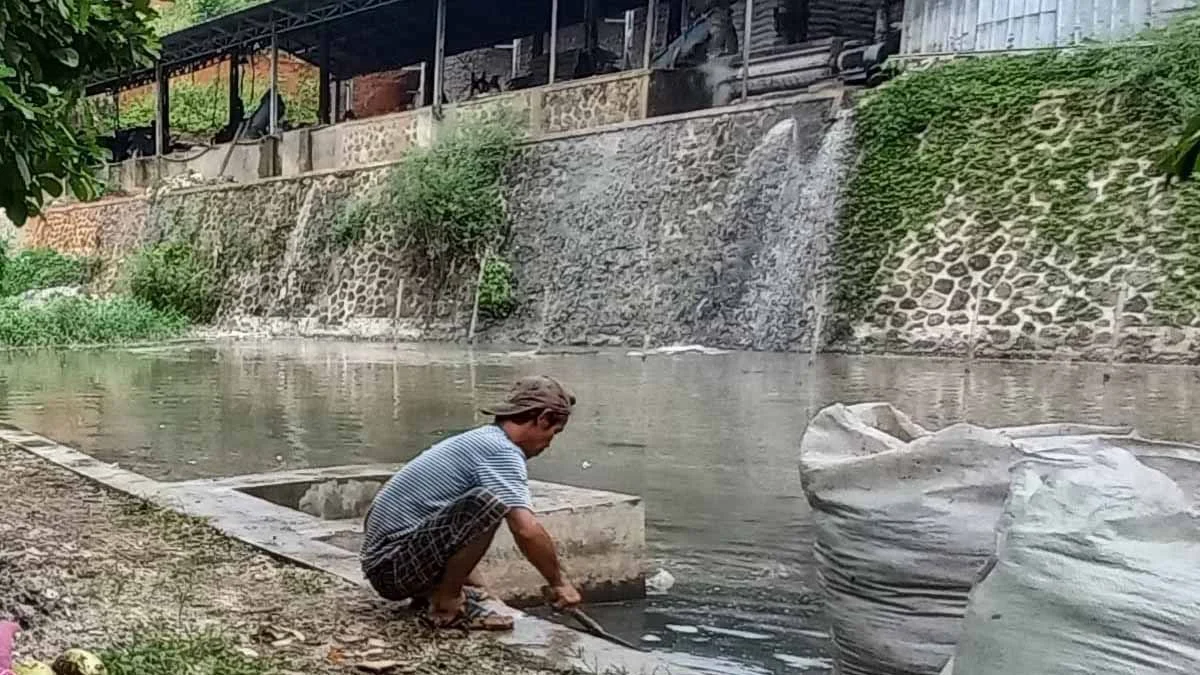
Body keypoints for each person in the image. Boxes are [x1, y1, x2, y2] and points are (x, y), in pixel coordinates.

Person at [360, 375, 583, 631]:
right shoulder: (501, 450)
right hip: (392, 569)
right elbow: (526, 530)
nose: (548, 444)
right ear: (542, 419)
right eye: (553, 433)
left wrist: (482, 591)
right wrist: (559, 582)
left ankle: (445, 593)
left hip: (390, 563)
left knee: (483, 506)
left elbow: (457, 534)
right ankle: (446, 603)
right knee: (488, 504)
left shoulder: (483, 440)